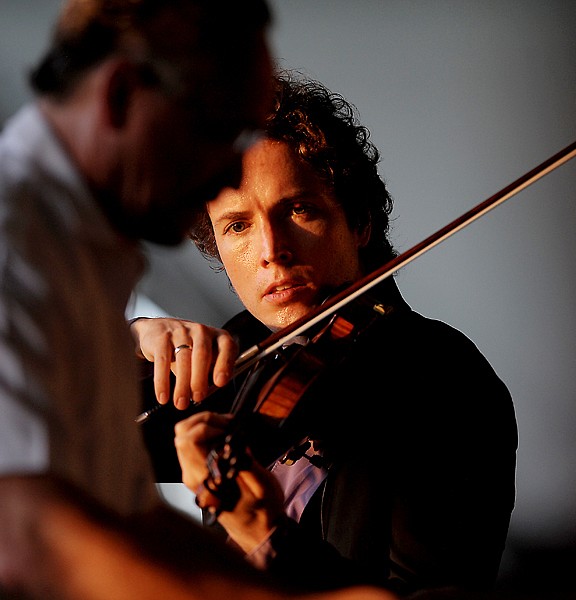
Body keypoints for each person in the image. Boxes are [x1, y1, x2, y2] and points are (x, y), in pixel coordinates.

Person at [0, 2, 368, 599]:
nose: (227, 177)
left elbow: (135, 522)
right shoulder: (16, 245)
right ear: (121, 95)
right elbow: (27, 540)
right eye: (222, 132)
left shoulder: (87, 255)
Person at [132, 71, 519, 598]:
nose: (271, 250)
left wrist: (265, 537)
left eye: (298, 209)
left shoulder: (445, 380)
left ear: (358, 221)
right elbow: (67, 435)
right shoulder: (245, 354)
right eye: (238, 226)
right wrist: (132, 341)